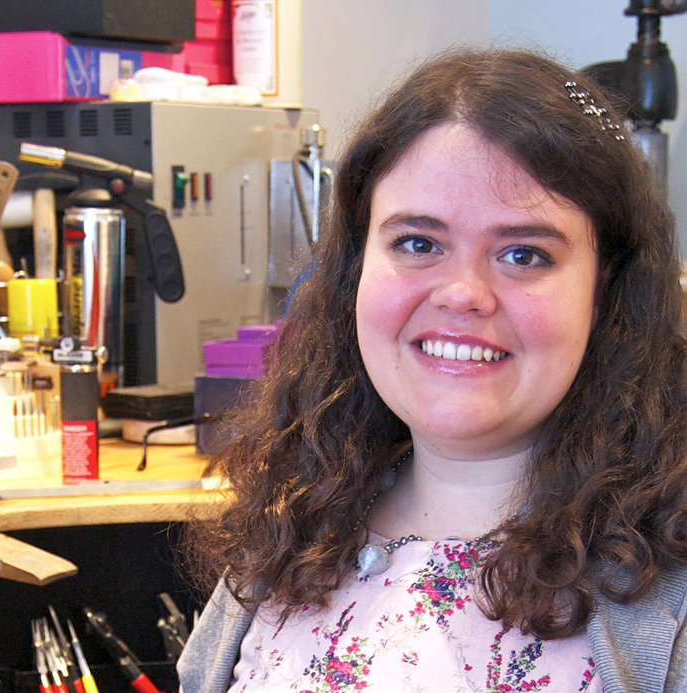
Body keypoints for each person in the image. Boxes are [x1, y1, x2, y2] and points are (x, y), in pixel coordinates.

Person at [178, 48, 687, 693]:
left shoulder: (665, 585)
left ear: (604, 289)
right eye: (418, 243)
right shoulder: (290, 532)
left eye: (525, 254)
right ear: (357, 265)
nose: (461, 293)